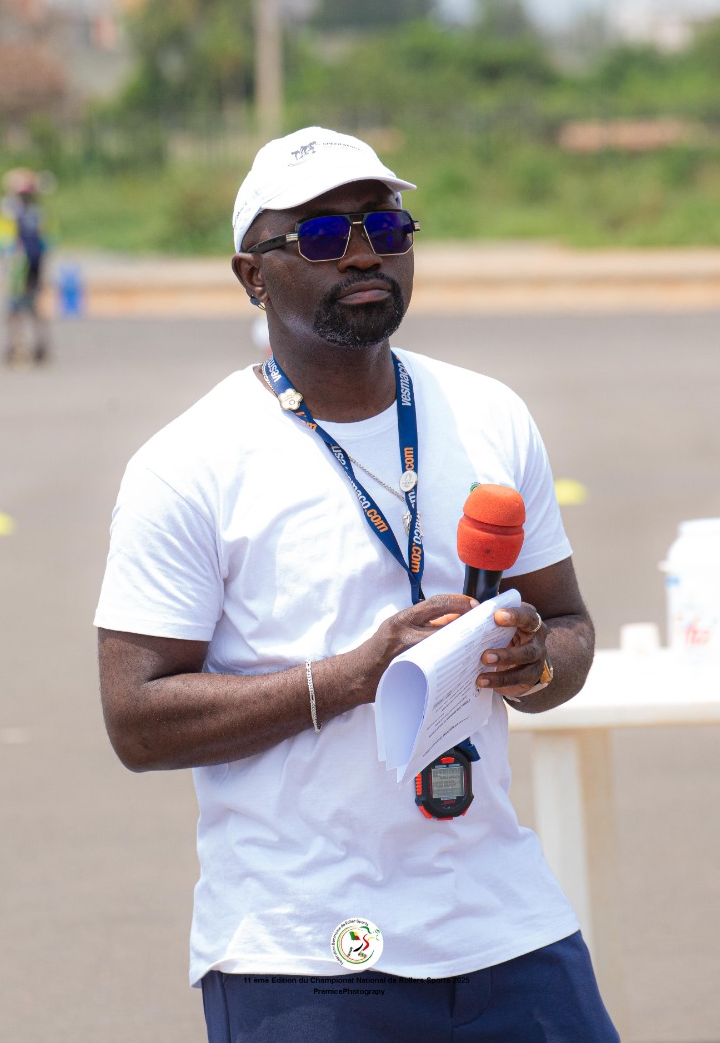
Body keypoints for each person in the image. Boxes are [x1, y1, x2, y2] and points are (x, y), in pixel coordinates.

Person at [94, 127, 616, 1042]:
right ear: (252, 276)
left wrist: (532, 662)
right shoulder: (188, 465)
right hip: (307, 948)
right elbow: (136, 718)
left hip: (502, 923)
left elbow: (569, 628)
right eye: (324, 237)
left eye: (387, 225)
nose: (366, 252)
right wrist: (359, 676)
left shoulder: (490, 415)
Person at [0, 167, 55, 366]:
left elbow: (45, 240)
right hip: (21, 265)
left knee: (27, 307)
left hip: (28, 265)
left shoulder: (30, 212)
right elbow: (2, 241)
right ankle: (18, 347)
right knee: (19, 308)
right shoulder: (16, 211)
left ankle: (33, 347)